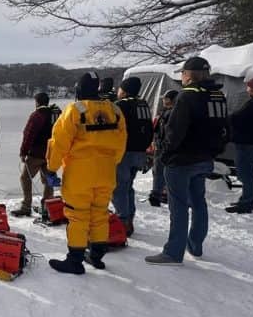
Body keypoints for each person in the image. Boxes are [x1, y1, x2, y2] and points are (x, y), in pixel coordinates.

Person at [145, 57, 229, 265]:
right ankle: (195, 244)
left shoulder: (187, 96)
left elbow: (175, 132)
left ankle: (173, 251)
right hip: (205, 157)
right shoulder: (218, 95)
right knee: (198, 202)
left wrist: (164, 154)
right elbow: (226, 127)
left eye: (182, 73)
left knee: (179, 206)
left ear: (188, 75)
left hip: (181, 160)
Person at [46, 73, 127, 273]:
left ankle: (74, 261)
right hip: (107, 171)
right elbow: (121, 144)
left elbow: (59, 143)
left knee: (78, 216)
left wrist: (51, 168)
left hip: (80, 173)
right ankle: (97, 256)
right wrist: (108, 163)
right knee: (100, 214)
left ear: (79, 89)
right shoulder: (115, 110)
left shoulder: (74, 110)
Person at [112, 77, 154, 236]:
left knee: (119, 188)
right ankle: (129, 217)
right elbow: (150, 128)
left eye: (120, 89)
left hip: (124, 152)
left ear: (124, 90)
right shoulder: (143, 104)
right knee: (128, 186)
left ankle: (123, 221)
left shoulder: (120, 106)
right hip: (139, 152)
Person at [225, 76, 253, 214]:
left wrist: (226, 118)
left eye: (249, 86)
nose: (247, 89)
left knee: (246, 174)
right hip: (250, 142)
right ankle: (246, 199)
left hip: (248, 144)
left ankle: (247, 202)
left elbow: (239, 118)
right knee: (246, 172)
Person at [11, 92, 58, 217]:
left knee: (25, 178)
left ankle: (26, 206)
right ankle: (48, 207)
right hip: (50, 153)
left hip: (36, 154)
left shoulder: (37, 115)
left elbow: (28, 134)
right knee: (48, 180)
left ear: (37, 102)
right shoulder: (55, 115)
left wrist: (23, 152)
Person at [148, 90, 178, 208]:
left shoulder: (170, 113)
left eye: (165, 98)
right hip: (165, 146)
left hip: (163, 147)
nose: (163, 100)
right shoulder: (169, 112)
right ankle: (164, 193)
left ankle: (158, 194)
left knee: (159, 171)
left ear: (170, 100)